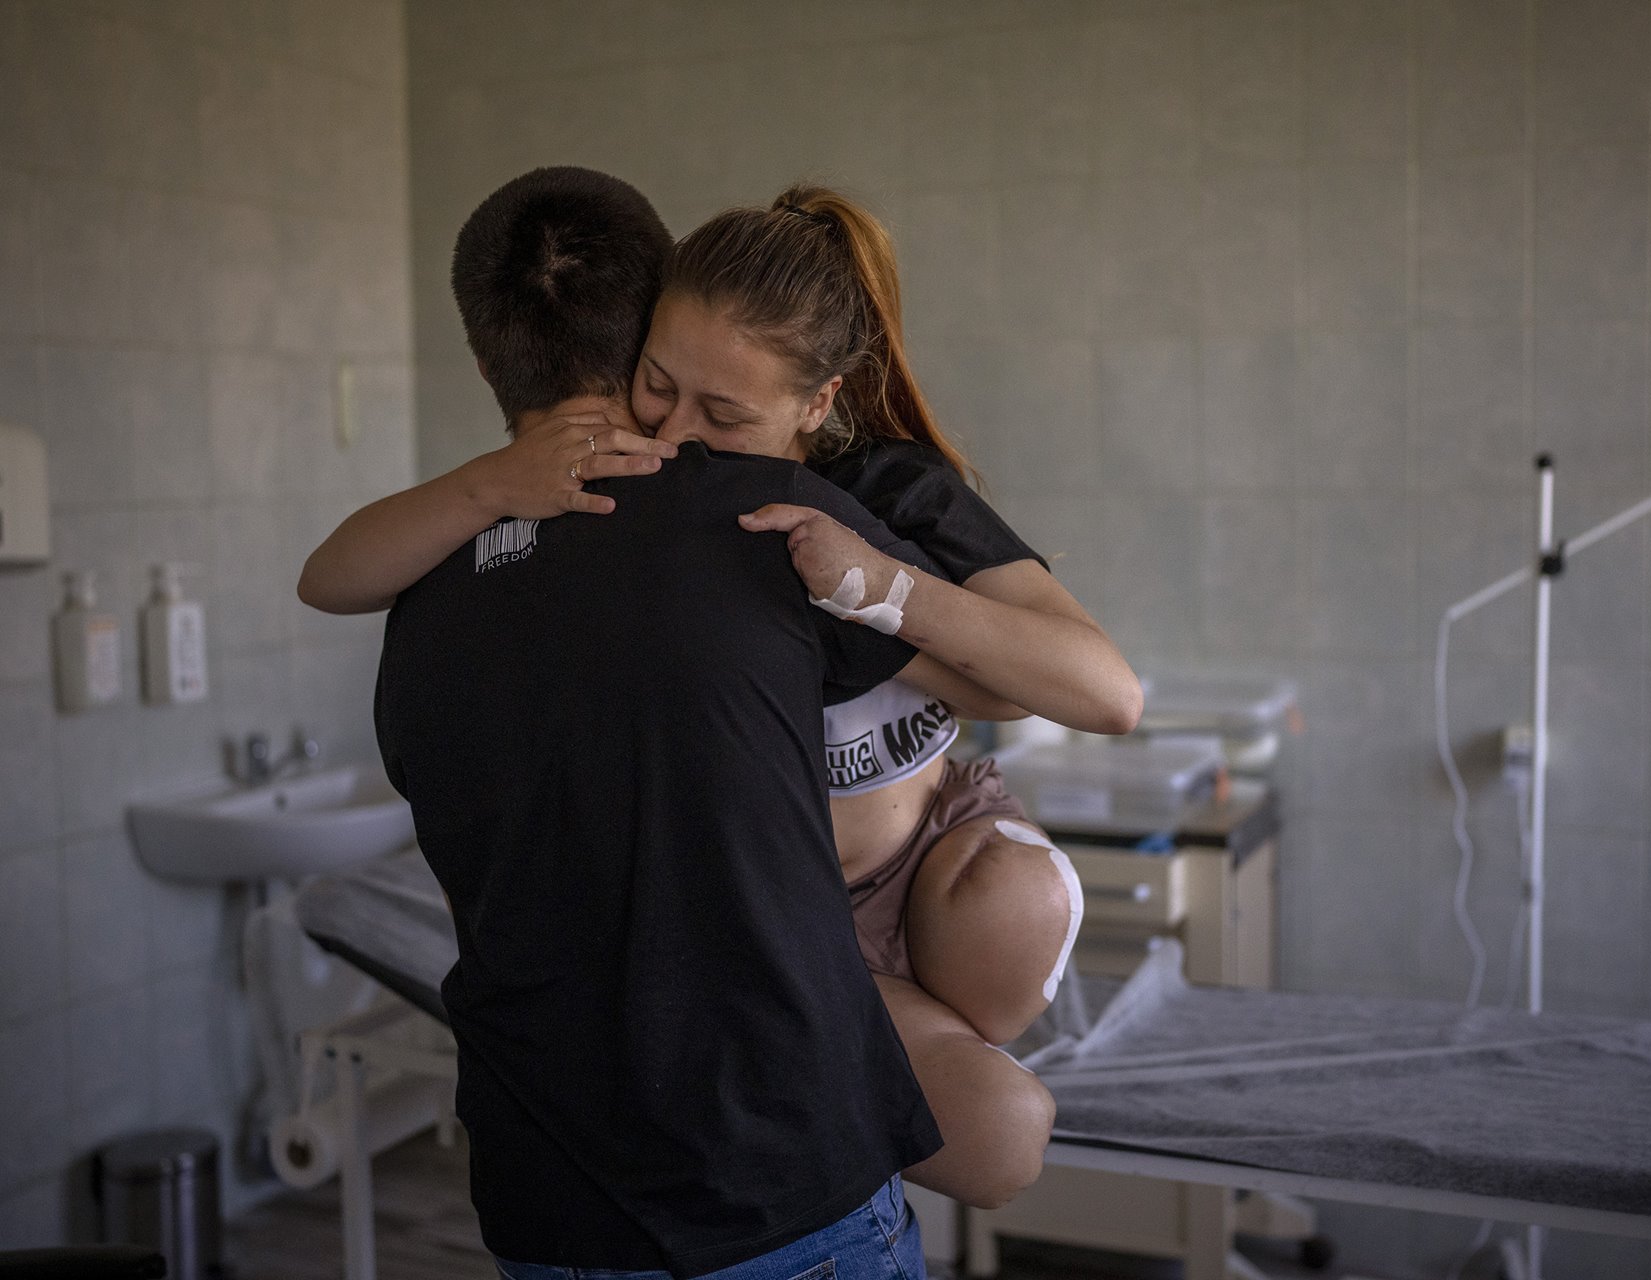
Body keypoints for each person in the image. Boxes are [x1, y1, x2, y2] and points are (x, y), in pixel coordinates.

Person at [301, 178, 1144, 1209]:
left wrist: (880, 591)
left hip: (919, 861)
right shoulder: (622, 496)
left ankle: (907, 1040)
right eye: (659, 383)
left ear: (817, 401)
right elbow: (330, 578)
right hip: (785, 927)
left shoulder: (876, 495)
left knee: (1010, 923)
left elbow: (1079, 691)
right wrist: (493, 483)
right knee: (995, 1135)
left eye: (726, 411)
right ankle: (882, 1046)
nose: (685, 431)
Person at [359, 166, 940, 1280]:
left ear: (485, 357)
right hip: (779, 1182)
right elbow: (1024, 676)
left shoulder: (416, 596)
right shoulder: (769, 523)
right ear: (650, 330)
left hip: (547, 1200)